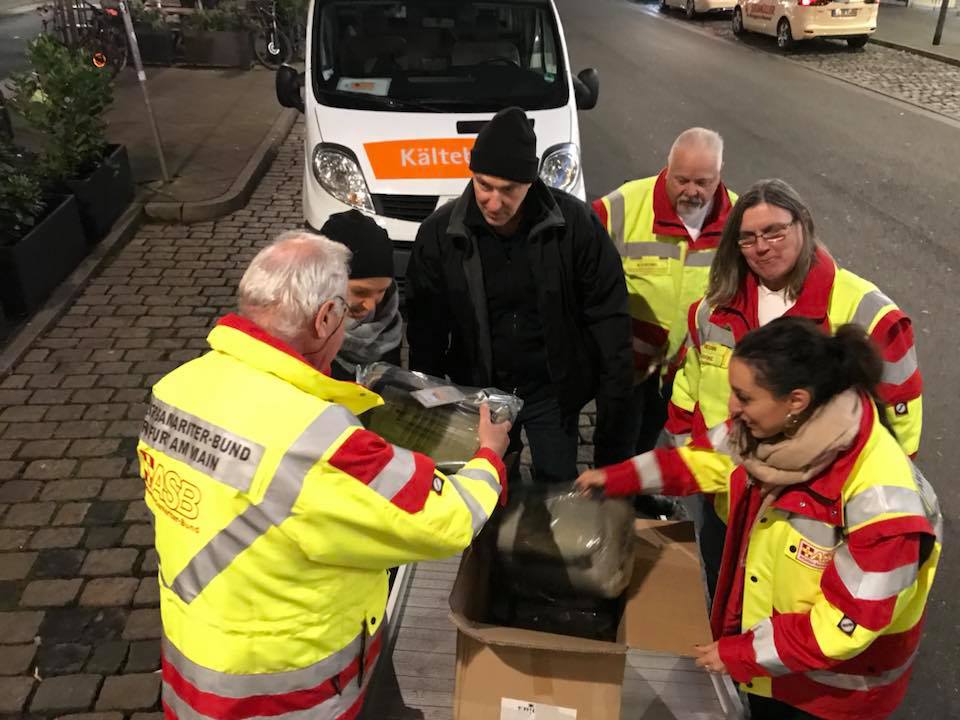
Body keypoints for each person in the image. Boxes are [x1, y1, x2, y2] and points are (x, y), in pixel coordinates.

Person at [138, 231, 511, 720]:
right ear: (326, 318)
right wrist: (489, 454)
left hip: (195, 668)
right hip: (293, 692)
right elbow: (447, 519)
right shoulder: (318, 439)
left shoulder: (177, 387)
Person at [577, 317, 941, 720]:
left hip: (832, 694)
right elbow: (700, 461)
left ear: (796, 401)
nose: (732, 408)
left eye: (744, 397)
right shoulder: (770, 432)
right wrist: (615, 479)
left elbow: (846, 624)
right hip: (775, 668)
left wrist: (742, 654)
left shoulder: (883, 507)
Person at [665, 178, 923, 593]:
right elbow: (687, 391)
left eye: (774, 231)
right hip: (726, 505)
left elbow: (900, 433)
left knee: (792, 626)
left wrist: (859, 515)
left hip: (810, 524)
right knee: (722, 598)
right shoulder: (713, 310)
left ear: (803, 224)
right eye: (747, 238)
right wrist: (694, 465)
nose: (762, 247)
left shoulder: (869, 315)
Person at [406, 106, 634, 484]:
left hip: (551, 391)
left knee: (557, 482)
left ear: (531, 182)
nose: (494, 202)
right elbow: (425, 327)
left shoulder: (576, 226)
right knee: (486, 486)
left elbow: (607, 314)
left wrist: (611, 397)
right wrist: (433, 404)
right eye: (484, 185)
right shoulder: (439, 234)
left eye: (508, 190)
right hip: (479, 392)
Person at [592, 128, 736, 456]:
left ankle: (638, 493)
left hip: (686, 366)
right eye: (681, 180)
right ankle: (609, 502)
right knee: (616, 443)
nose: (691, 191)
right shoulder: (624, 205)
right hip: (627, 360)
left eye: (703, 182)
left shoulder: (737, 219)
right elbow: (578, 260)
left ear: (719, 174)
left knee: (650, 437)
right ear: (667, 169)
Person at [319, 209, 402, 381]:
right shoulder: (296, 331)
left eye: (381, 291)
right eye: (360, 292)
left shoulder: (388, 320)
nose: (371, 306)